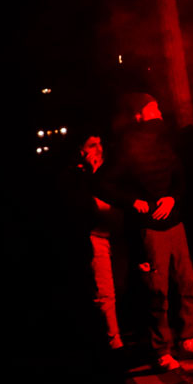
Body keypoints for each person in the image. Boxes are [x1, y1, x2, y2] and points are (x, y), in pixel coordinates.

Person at [101, 94, 193, 371]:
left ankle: (188, 339)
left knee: (187, 283)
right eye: (153, 109)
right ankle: (161, 349)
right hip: (150, 230)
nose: (159, 112)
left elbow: (179, 176)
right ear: (138, 115)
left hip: (175, 223)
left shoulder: (164, 140)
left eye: (158, 107)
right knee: (157, 291)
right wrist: (132, 201)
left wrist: (173, 197)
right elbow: (101, 182)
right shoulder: (127, 145)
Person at [62, 134, 123, 355]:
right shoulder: (76, 176)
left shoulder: (112, 169)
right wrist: (92, 172)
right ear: (81, 150)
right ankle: (113, 341)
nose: (98, 149)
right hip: (96, 236)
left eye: (100, 144)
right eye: (92, 145)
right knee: (105, 291)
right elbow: (79, 205)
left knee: (122, 285)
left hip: (117, 234)